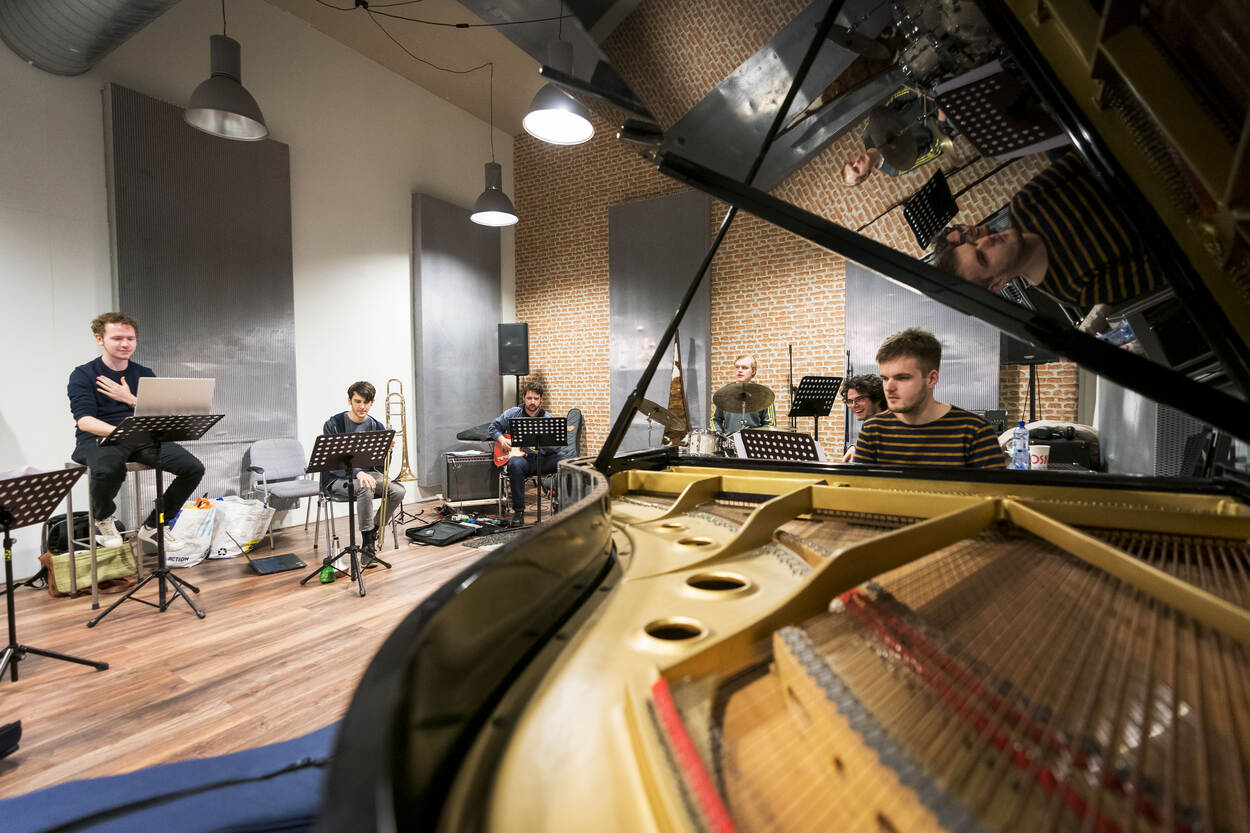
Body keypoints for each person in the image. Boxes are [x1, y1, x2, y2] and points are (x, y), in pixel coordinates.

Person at [931, 151, 1159, 311]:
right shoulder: (1071, 290)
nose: (986, 241)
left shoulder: (1024, 204)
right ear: (997, 283)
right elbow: (1161, 267)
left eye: (974, 243)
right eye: (982, 257)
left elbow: (1090, 153)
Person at [68, 312, 205, 551]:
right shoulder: (83, 374)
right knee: (108, 468)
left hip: (141, 437)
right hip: (100, 437)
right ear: (100, 339)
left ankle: (154, 525)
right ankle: (103, 518)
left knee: (192, 468)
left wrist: (130, 398)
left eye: (130, 339)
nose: (125, 344)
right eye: (117, 338)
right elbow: (86, 422)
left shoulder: (144, 373)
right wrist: (123, 432)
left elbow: (157, 415)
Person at [852, 328, 1004, 468]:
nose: (889, 387)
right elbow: (860, 488)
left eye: (902, 378)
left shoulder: (975, 431)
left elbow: (993, 490)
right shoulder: (873, 430)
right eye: (885, 378)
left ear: (931, 379)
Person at [321, 381, 407, 564]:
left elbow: (380, 468)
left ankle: (373, 529)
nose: (362, 407)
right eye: (358, 401)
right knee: (365, 487)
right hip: (338, 478)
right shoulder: (334, 424)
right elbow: (334, 461)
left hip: (369, 475)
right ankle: (368, 544)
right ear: (349, 401)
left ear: (372, 402)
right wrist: (358, 473)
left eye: (366, 402)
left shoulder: (376, 425)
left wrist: (388, 452)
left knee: (398, 491)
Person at [843, 85, 952, 185]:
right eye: (856, 169)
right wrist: (941, 121)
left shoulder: (869, 132)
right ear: (865, 176)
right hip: (947, 117)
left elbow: (894, 102)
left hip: (930, 95)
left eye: (851, 162)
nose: (856, 162)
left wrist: (914, 93)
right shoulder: (895, 169)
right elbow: (933, 151)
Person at [490, 381, 560, 527]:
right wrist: (502, 439)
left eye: (536, 398)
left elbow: (555, 449)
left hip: (542, 459)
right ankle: (519, 512)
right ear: (523, 398)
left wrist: (548, 444)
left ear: (541, 399)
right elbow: (493, 427)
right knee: (515, 464)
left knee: (567, 462)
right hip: (522, 460)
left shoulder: (548, 418)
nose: (532, 402)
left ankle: (563, 505)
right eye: (529, 398)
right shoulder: (513, 413)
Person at [709, 354, 777, 435]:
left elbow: (770, 424)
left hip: (753, 441)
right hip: (729, 441)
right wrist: (719, 435)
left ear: (753, 371)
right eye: (737, 367)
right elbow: (715, 419)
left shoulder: (765, 395)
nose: (739, 370)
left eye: (744, 368)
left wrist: (759, 438)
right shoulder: (723, 394)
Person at [840, 373, 887, 462]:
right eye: (850, 401)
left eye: (860, 399)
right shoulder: (869, 427)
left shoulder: (880, 426)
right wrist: (854, 447)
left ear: (877, 398)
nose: (854, 405)